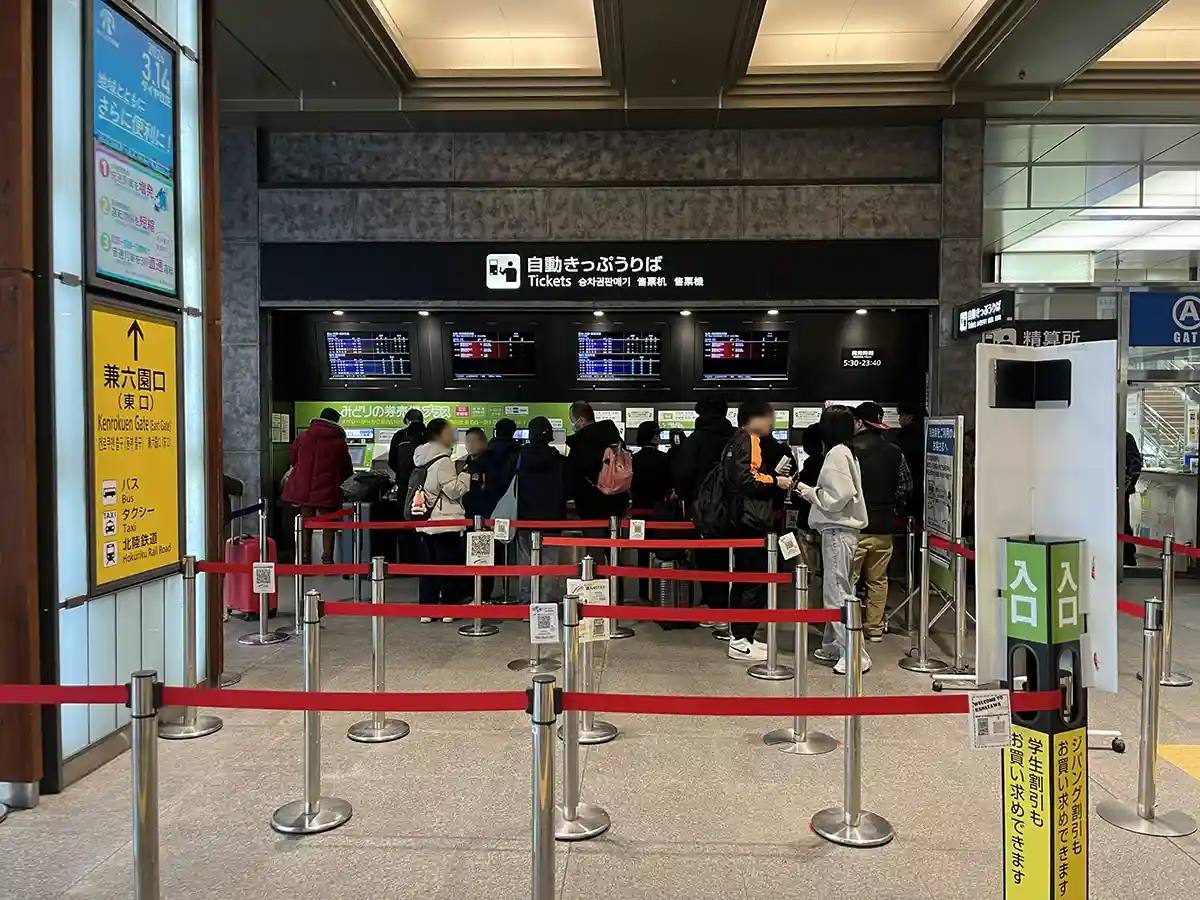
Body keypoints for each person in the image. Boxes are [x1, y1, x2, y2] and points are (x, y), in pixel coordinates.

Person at [798, 404, 870, 674]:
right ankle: (833, 645)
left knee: (837, 594)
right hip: (842, 533)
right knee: (839, 589)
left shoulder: (836, 454)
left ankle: (854, 653)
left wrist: (810, 493)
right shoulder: (845, 452)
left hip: (838, 532)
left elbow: (838, 497)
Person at [723, 399, 793, 661]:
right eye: (768, 418)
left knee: (744, 580)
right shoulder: (749, 439)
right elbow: (748, 479)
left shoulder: (735, 439)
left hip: (742, 519)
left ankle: (742, 636)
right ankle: (741, 639)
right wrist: (777, 480)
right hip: (753, 521)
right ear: (756, 419)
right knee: (753, 581)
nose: (771, 423)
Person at [849, 402, 911, 642]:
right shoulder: (895, 451)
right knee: (878, 579)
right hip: (884, 526)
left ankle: (849, 627)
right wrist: (887, 504)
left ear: (859, 423)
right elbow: (905, 486)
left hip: (855, 526)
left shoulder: (849, 450)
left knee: (849, 580)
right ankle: (875, 628)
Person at [671, 398, 736, 614]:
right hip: (736, 510)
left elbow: (682, 474)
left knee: (708, 556)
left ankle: (713, 604)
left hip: (705, 511)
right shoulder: (738, 439)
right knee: (735, 556)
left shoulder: (695, 441)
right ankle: (734, 605)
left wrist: (688, 496)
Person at [413, 418, 471, 623]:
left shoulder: (421, 457)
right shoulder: (443, 460)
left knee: (428, 567)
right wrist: (465, 475)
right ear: (439, 435)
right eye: (449, 432)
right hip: (445, 522)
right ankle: (449, 608)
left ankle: (427, 610)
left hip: (427, 520)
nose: (453, 436)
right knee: (448, 567)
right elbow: (454, 490)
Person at [514, 416, 573, 604]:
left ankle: (526, 602)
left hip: (524, 517)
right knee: (549, 561)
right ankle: (546, 603)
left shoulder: (519, 457)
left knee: (526, 560)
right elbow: (568, 489)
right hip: (552, 517)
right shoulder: (560, 461)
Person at [282, 407, 353, 565]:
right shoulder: (338, 442)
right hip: (327, 488)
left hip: (304, 487)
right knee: (328, 523)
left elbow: (293, 459)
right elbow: (346, 467)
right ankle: (327, 558)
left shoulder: (303, 437)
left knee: (305, 523)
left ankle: (304, 558)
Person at [566, 400, 629, 530]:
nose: (573, 425)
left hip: (591, 505)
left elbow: (573, 475)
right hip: (618, 501)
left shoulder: (581, 443)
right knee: (614, 542)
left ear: (582, 420)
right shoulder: (613, 436)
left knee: (596, 544)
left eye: (573, 421)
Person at [630, 421, 673, 599]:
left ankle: (642, 593)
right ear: (653, 436)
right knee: (659, 551)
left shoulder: (633, 459)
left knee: (641, 552)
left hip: (638, 511)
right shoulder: (663, 459)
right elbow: (669, 485)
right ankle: (659, 592)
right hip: (659, 511)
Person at [461, 427, 494, 600]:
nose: (470, 445)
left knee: (483, 557)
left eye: (474, 441)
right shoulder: (467, 462)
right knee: (469, 556)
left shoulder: (490, 463)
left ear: (483, 442)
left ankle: (483, 595)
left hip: (484, 518)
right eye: (467, 442)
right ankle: (470, 592)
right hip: (468, 517)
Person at [794, 423, 825, 591]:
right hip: (829, 526)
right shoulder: (833, 461)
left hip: (807, 522)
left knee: (808, 574)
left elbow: (798, 496)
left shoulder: (810, 465)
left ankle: (810, 611)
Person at [895, 403, 926, 522]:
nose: (899, 419)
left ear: (910, 417)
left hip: (912, 491)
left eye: (901, 415)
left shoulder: (904, 437)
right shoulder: (926, 434)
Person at [1124, 431, 1143, 566]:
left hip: (1119, 491)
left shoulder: (1125, 437)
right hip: (1102, 491)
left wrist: (1128, 484)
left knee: (1123, 525)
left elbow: (1135, 464)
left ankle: (1128, 559)